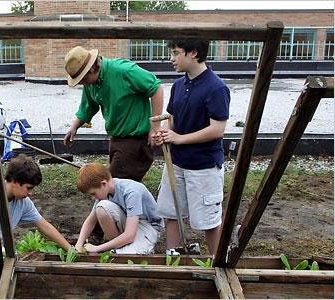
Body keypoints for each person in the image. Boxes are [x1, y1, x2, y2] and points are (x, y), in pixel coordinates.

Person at [153, 39, 230, 256]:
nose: (171, 58)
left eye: (176, 53)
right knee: (171, 212)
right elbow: (172, 119)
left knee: (208, 220)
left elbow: (217, 129)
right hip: (176, 162)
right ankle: (173, 257)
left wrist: (179, 138)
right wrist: (166, 135)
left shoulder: (216, 88)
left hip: (203, 166)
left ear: (193, 53)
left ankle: (218, 263)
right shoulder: (179, 85)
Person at [63, 46, 164, 182]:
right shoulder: (91, 84)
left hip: (136, 140)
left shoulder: (124, 71)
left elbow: (156, 88)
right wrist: (74, 128)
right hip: (116, 139)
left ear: (92, 68)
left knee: (113, 186)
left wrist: (155, 127)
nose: (82, 83)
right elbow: (88, 107)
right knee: (120, 187)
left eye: (82, 79)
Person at [74, 163, 162, 254]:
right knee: (101, 208)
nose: (93, 198)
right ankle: (120, 246)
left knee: (126, 256)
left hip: (146, 226)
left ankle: (135, 247)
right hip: (129, 223)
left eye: (93, 194)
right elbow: (90, 221)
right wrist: (78, 245)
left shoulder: (131, 191)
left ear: (103, 183)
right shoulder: (105, 192)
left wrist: (98, 248)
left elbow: (130, 235)